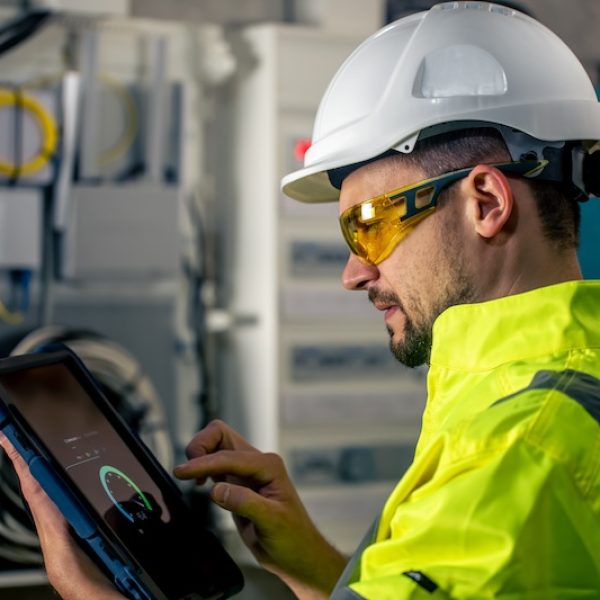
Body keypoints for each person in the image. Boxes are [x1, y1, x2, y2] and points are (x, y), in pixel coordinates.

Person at [2, 1, 600, 598]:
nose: (352, 272)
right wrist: (313, 564)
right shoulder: (549, 393)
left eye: (369, 224)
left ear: (486, 205)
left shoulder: (517, 452)